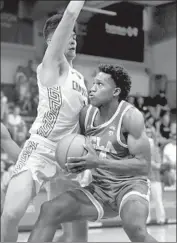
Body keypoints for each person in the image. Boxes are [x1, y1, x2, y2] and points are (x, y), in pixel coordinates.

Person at [28, 64, 158, 242]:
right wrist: (65, 166)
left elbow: (143, 166)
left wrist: (98, 163)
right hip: (99, 189)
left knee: (135, 228)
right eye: (93, 83)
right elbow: (78, 150)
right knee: (49, 209)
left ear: (115, 91)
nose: (92, 88)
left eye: (100, 85)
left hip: (129, 187)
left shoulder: (130, 117)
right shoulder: (85, 115)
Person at [1, 1, 89, 242]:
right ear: (52, 41)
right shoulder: (52, 64)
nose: (73, 39)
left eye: (75, 36)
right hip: (40, 149)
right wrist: (70, 16)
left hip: (69, 158)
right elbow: (71, 13)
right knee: (10, 215)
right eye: (67, 35)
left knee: (76, 238)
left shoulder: (81, 79)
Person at [146, 128, 166, 225]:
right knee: (146, 201)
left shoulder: (156, 150)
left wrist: (151, 163)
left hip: (155, 179)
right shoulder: (140, 150)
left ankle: (161, 219)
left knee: (158, 200)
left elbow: (159, 166)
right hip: (144, 179)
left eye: (149, 133)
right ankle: (146, 220)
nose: (148, 135)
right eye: (146, 133)